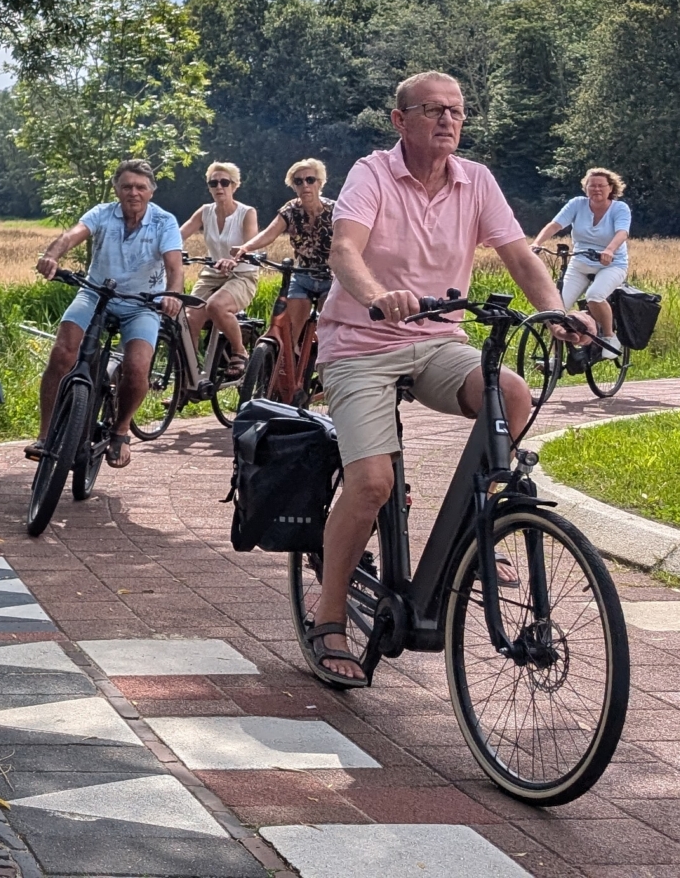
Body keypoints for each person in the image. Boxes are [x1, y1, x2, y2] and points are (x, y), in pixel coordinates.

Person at [303, 72, 588, 686]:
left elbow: (519, 255)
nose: (448, 121)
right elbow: (344, 251)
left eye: (457, 111)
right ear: (400, 119)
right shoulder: (372, 173)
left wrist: (558, 313)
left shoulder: (476, 179)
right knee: (373, 482)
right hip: (361, 342)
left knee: (510, 391)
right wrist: (379, 297)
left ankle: (470, 537)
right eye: (433, 110)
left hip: (436, 340)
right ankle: (328, 616)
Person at [33, 161, 186, 469]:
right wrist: (52, 255)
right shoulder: (102, 213)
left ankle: (120, 430)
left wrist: (172, 294)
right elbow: (73, 234)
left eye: (141, 187)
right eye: (127, 186)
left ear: (151, 192)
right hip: (95, 293)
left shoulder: (164, 221)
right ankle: (45, 434)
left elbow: (174, 266)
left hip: (142, 302)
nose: (134, 192)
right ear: (116, 189)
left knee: (138, 366)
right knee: (63, 352)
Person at [224, 158, 336, 399]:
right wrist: (245, 248)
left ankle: (326, 374)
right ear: (293, 186)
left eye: (310, 180)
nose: (305, 185)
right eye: (298, 181)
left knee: (329, 330)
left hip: (331, 278)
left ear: (320, 183)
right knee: (290, 337)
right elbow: (269, 234)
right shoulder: (290, 210)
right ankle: (287, 382)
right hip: (302, 276)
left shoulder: (335, 210)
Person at [534, 168, 631, 354]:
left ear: (610, 188)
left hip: (610, 264)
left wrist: (609, 250)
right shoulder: (577, 204)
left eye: (601, 186)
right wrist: (537, 244)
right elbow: (555, 224)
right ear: (585, 188)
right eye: (592, 185)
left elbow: (622, 232)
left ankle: (609, 337)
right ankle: (555, 359)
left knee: (594, 296)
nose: (596, 189)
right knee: (556, 309)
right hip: (580, 263)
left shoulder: (620, 208)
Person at [179, 162, 259, 370]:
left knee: (216, 306)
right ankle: (190, 376)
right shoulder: (205, 212)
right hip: (212, 274)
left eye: (225, 182)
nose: (219, 187)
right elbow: (179, 235)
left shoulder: (246, 213)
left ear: (235, 185)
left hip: (242, 275)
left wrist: (235, 259)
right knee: (188, 319)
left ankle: (239, 350)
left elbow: (249, 245)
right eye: (213, 183)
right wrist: (165, 251)